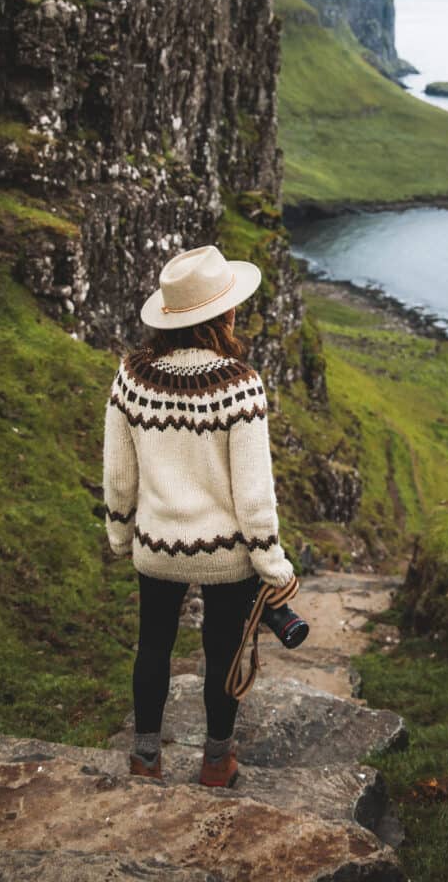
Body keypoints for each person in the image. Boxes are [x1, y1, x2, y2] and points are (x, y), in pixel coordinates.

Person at [102, 244, 296, 788]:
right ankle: (216, 762)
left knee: (154, 646)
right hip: (227, 554)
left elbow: (119, 475)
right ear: (223, 313)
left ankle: (145, 758)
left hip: (157, 543)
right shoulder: (240, 384)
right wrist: (273, 564)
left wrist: (120, 533)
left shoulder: (131, 377)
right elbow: (254, 494)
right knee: (223, 653)